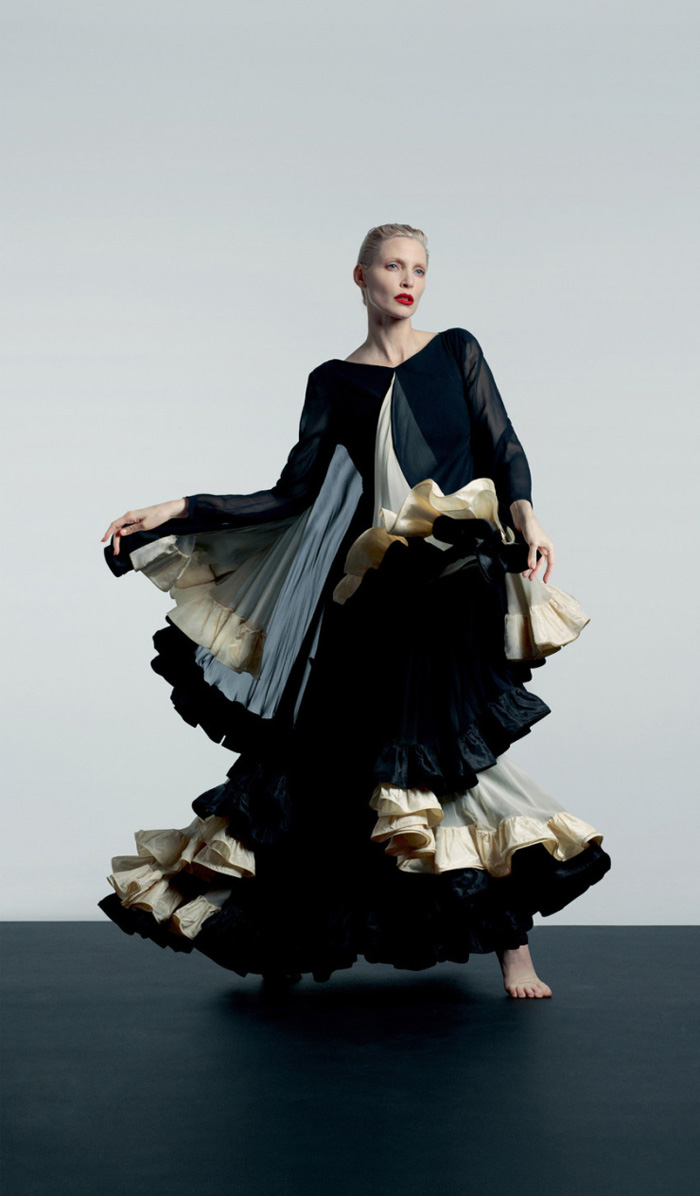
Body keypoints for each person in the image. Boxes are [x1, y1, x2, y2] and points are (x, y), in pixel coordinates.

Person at [98, 222, 611, 998]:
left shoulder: (457, 352)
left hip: (456, 580)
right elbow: (291, 494)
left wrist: (529, 517)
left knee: (450, 757)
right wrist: (180, 507)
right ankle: (282, 937)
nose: (408, 281)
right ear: (361, 276)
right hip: (370, 593)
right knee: (328, 763)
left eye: (419, 270)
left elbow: (502, 445)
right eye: (393, 267)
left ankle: (513, 948)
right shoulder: (334, 382)